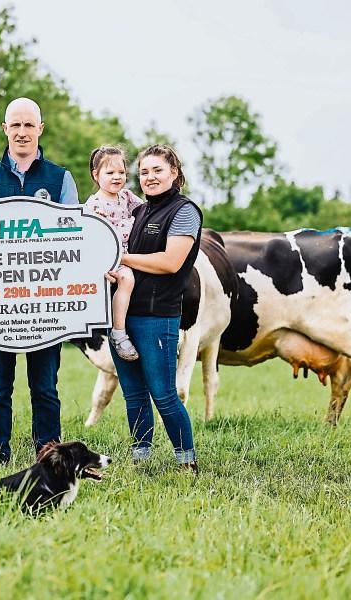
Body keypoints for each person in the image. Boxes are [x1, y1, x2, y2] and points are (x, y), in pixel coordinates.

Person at [0, 97, 79, 464]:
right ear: (5, 129)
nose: (22, 132)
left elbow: (75, 240)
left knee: (45, 388)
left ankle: (50, 456)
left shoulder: (60, 179)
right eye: (15, 125)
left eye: (29, 125)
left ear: (40, 129)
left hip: (44, 306)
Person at [106, 144, 202, 473]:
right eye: (144, 172)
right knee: (133, 394)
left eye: (157, 170)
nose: (150, 177)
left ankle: (187, 462)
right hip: (122, 317)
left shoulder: (184, 211)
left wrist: (117, 257)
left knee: (163, 394)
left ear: (174, 172)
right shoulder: (139, 211)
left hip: (157, 317)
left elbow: (170, 262)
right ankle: (141, 459)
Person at [84, 146, 144, 361]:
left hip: (133, 252)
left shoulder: (126, 196)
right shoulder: (94, 205)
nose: (117, 177)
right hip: (110, 257)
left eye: (121, 172)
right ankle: (118, 332)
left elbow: (145, 211)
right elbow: (91, 238)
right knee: (126, 279)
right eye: (110, 173)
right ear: (96, 175)